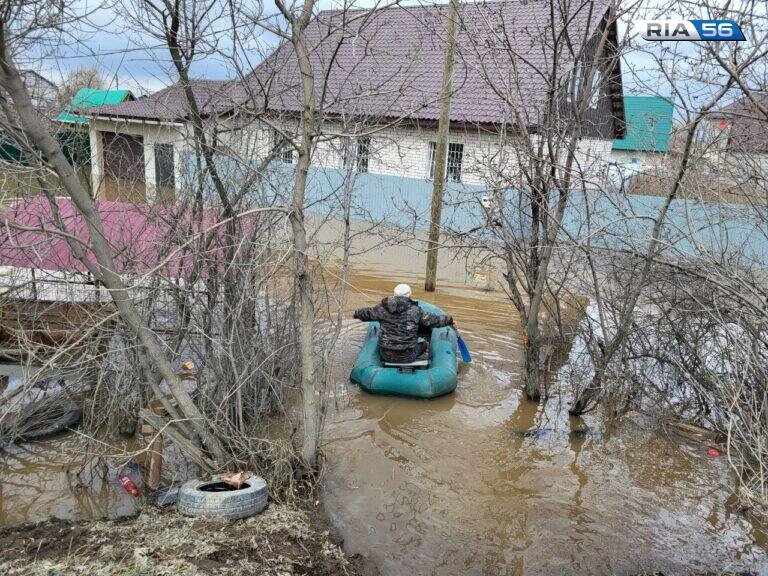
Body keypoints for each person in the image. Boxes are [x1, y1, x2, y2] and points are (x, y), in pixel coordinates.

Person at [353, 283, 454, 363]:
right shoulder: (416, 311)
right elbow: (435, 320)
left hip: (385, 354)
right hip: (408, 356)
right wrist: (450, 320)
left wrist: (355, 313)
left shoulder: (382, 309)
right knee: (424, 343)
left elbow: (366, 313)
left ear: (394, 294)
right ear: (409, 295)